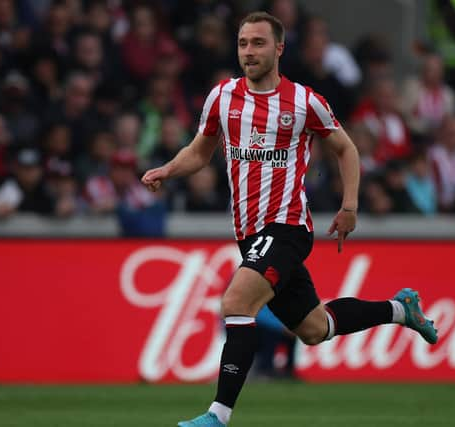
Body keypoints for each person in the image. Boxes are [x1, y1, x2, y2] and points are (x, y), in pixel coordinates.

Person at [141, 12, 438, 427]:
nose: (249, 51)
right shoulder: (221, 98)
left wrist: (349, 206)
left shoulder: (303, 102)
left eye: (258, 43)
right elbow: (199, 151)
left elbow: (346, 149)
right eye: (243, 43)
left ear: (279, 48)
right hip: (250, 235)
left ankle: (217, 417)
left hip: (287, 228)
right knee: (316, 328)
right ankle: (400, 310)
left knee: (235, 302)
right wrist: (166, 170)